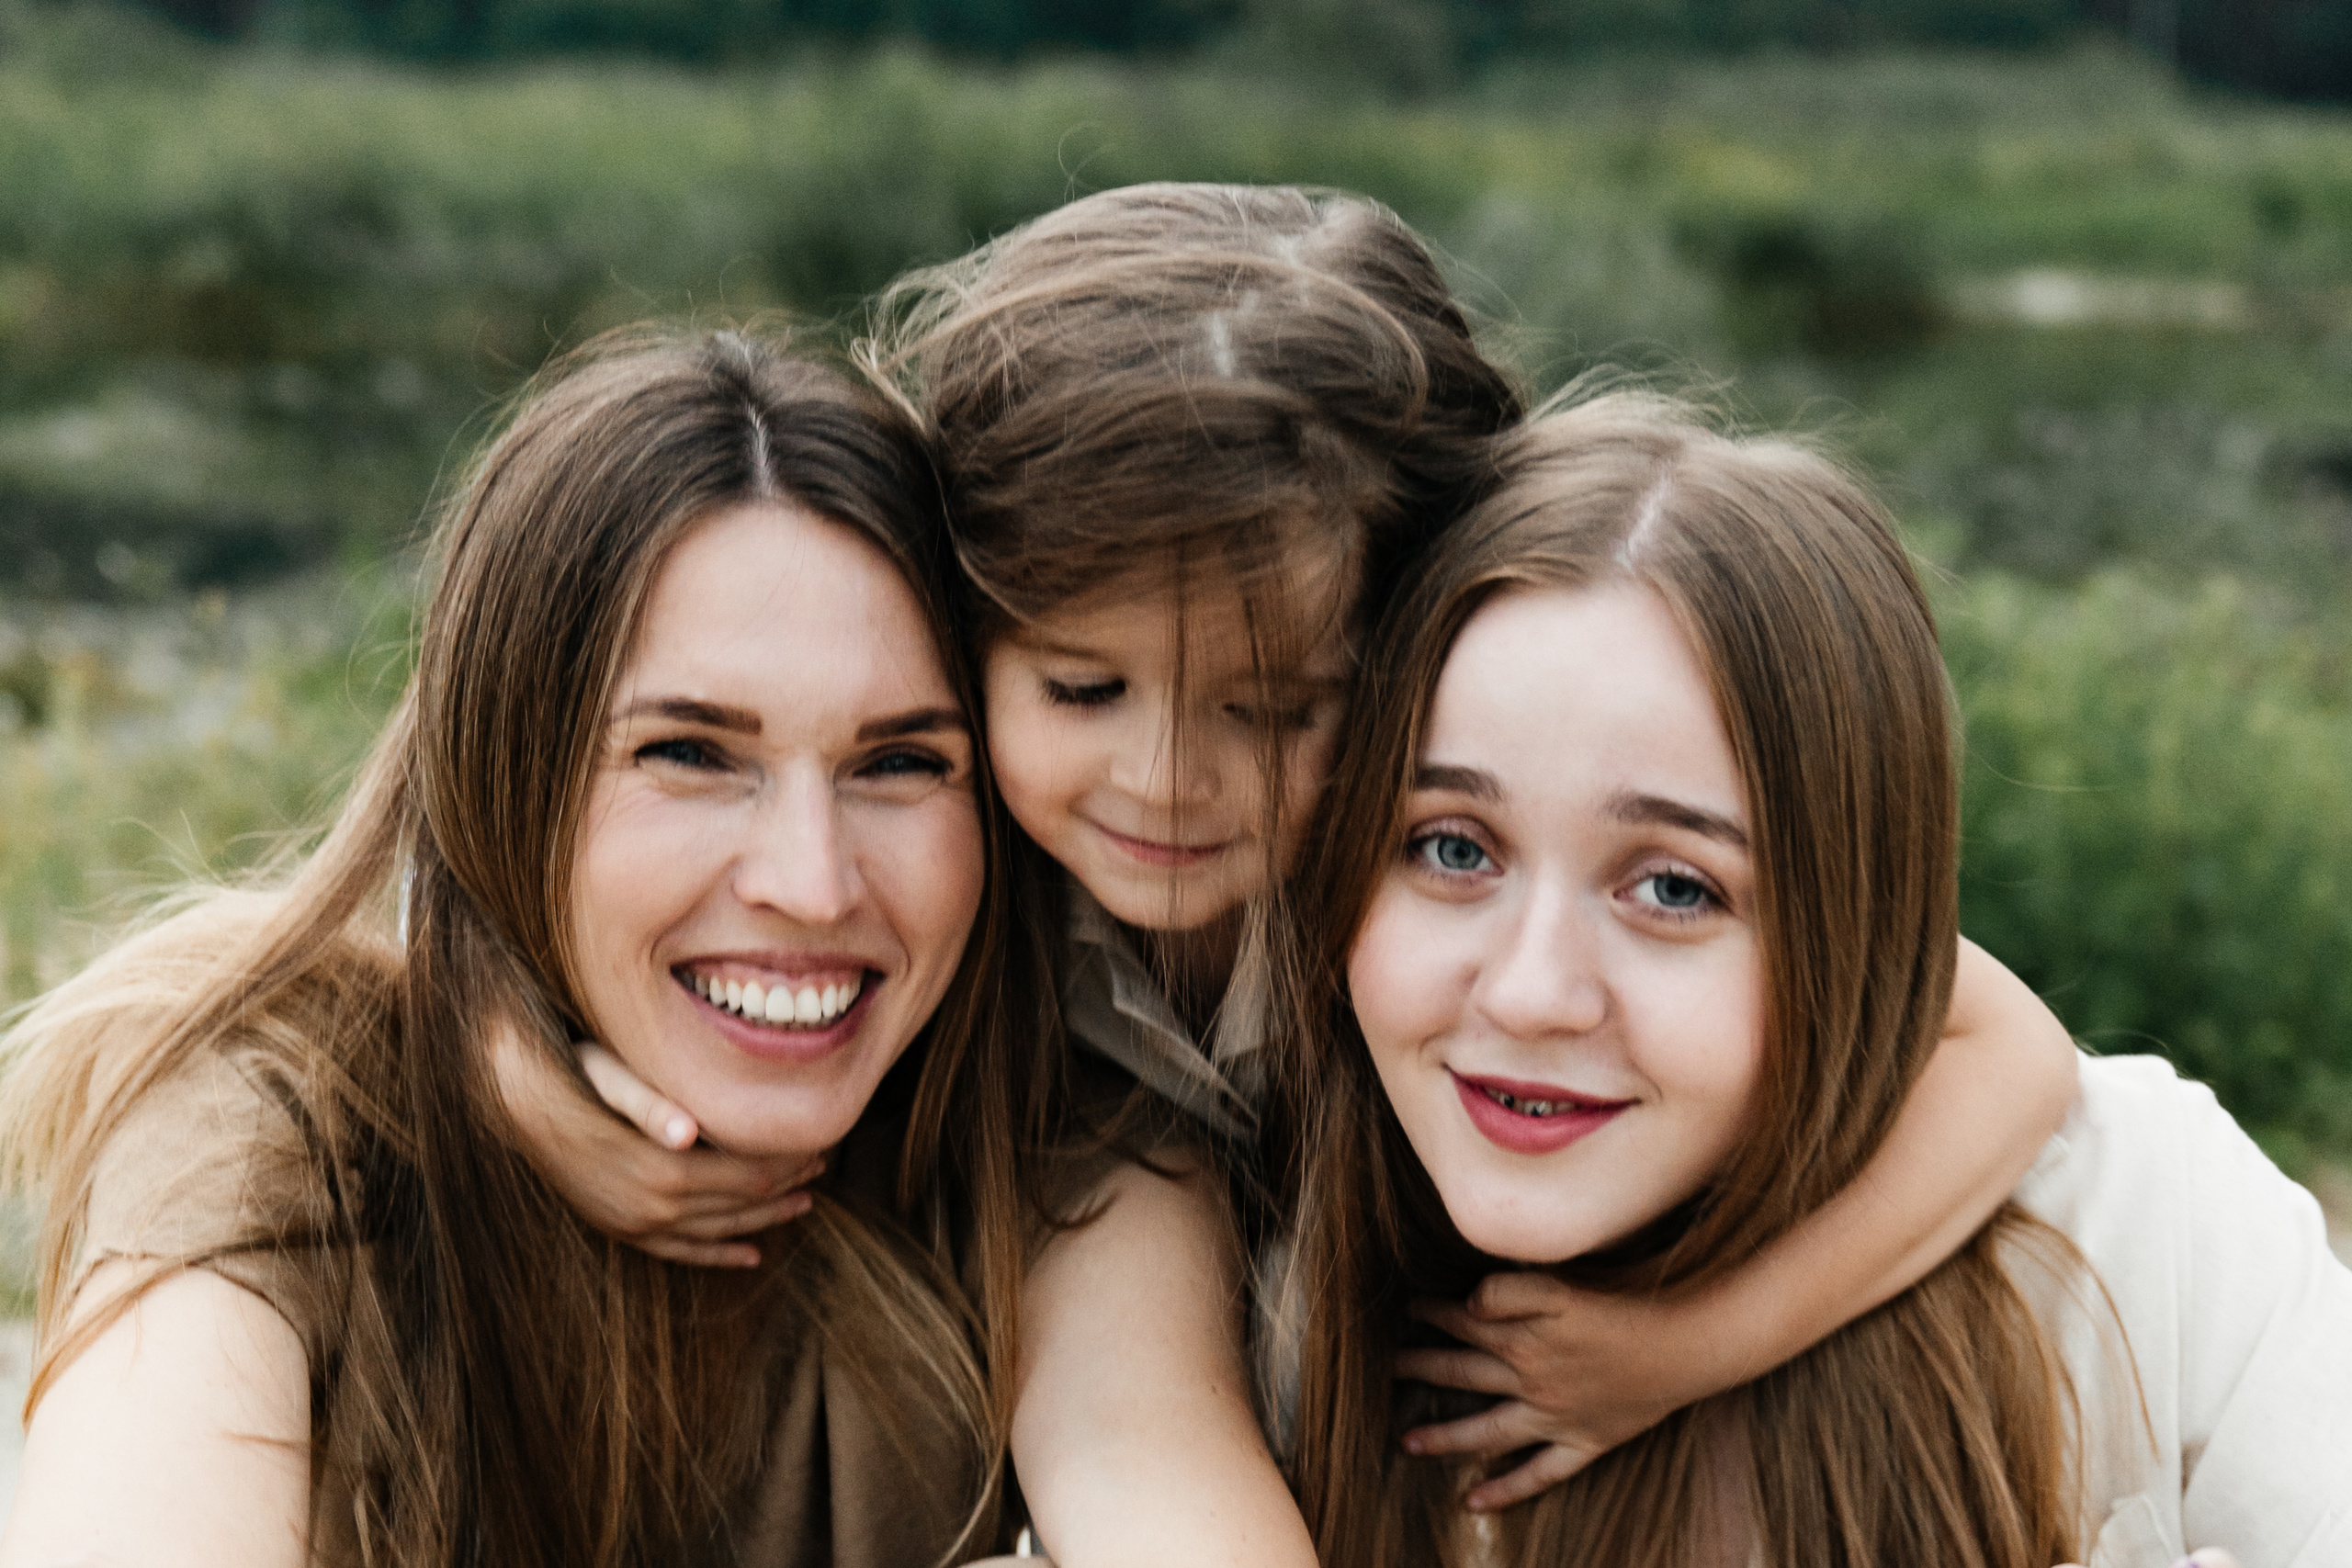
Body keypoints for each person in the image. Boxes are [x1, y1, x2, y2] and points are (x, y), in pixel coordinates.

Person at [508, 184, 2084, 1558]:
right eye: (1079, 690)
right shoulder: (920, 838)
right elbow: (453, 868)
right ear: (972, 614)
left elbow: (2010, 1045)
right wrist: (511, 1066)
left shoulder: (1462, 880)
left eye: (1272, 709)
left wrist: (1683, 1349)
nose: (1166, 783)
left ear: (1408, 639)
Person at [0, 331, 1045, 1568]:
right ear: (506, 768)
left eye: (901, 761)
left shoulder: (1034, 1124)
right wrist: (474, 1034)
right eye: (691, 753)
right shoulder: (277, 1107)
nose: (813, 883)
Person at [1284, 392, 2352, 1566]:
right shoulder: (1251, 1290)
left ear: (1844, 930)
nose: (1533, 994)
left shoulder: (2140, 1218)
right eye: (1451, 847)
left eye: (1676, 889)